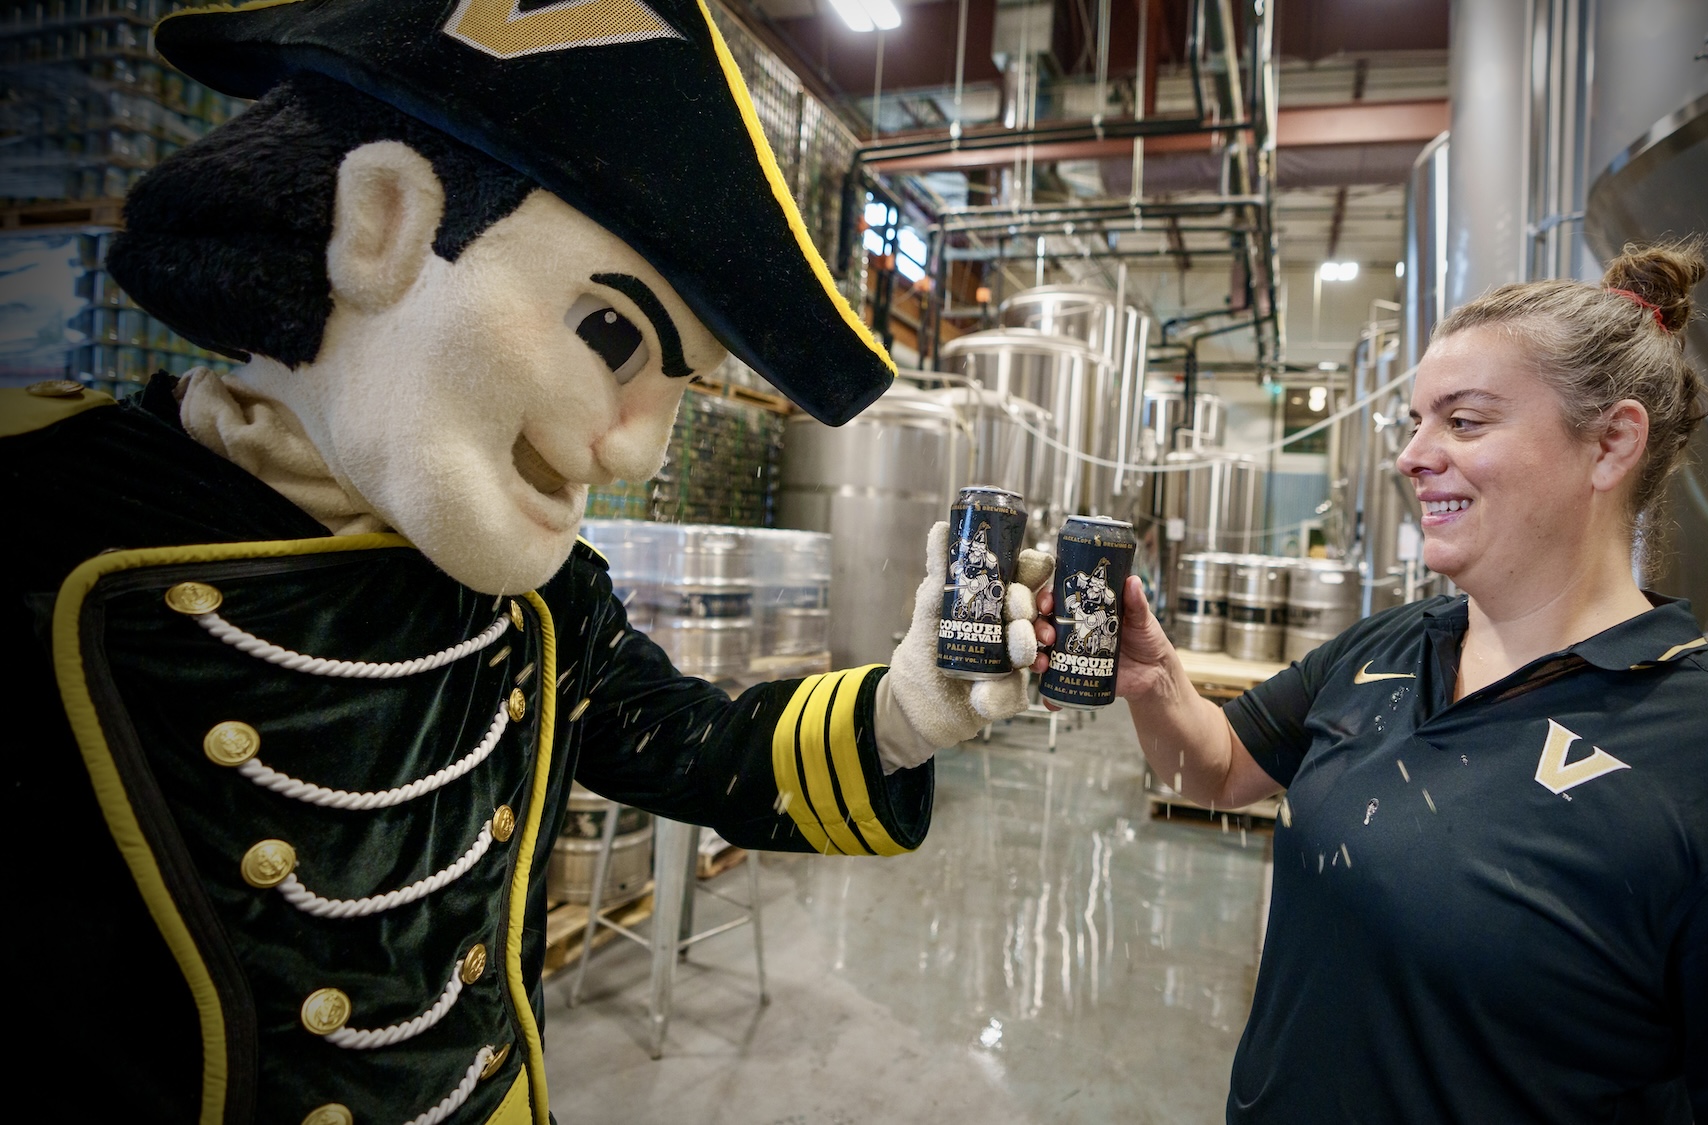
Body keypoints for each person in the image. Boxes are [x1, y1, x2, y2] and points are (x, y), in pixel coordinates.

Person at [3, 2, 1047, 1122]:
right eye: (610, 338)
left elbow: (687, 746)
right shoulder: (44, 524)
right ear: (381, 223)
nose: (640, 457)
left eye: (676, 392)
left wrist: (901, 712)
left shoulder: (540, 606)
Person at [1047, 243, 1708, 1122]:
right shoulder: (1386, 648)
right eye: (1417, 422)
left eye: (1464, 422)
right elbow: (1215, 770)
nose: (1413, 456)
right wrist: (1157, 682)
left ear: (1612, 442)